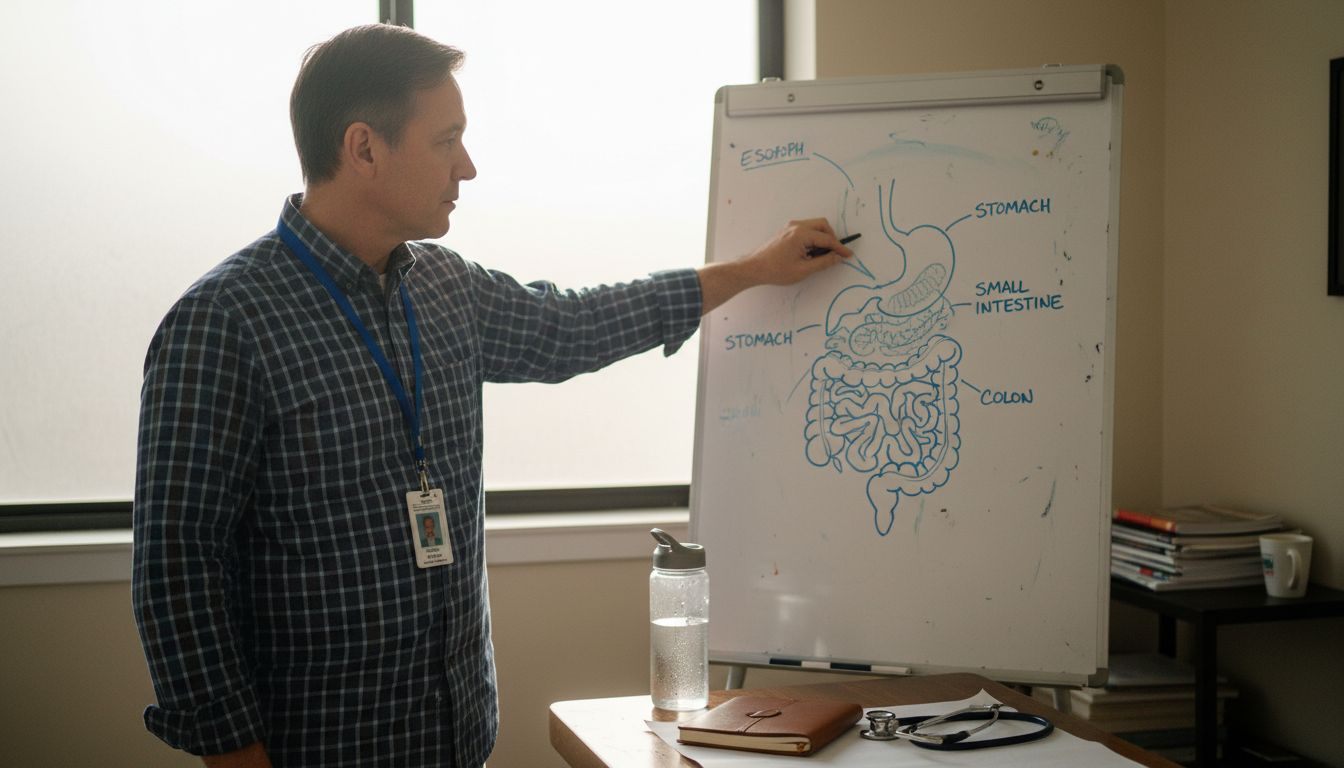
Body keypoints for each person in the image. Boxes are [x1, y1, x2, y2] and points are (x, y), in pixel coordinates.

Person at [131, 23, 852, 768]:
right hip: (317, 747)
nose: (467, 167)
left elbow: (574, 323)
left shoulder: (444, 288)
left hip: (453, 737)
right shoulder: (223, 323)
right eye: (447, 141)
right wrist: (233, 756)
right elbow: (177, 569)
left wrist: (753, 270)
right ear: (364, 149)